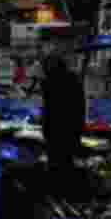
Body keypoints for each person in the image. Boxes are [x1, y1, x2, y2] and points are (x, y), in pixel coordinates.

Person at [40, 54, 86, 191]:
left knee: (58, 162)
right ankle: (65, 188)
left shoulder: (51, 82)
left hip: (58, 130)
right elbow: (80, 107)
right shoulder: (73, 79)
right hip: (70, 130)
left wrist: (45, 128)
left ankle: (59, 189)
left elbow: (49, 109)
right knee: (65, 161)